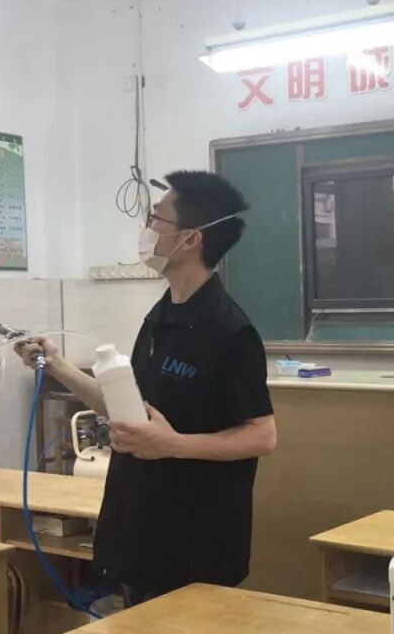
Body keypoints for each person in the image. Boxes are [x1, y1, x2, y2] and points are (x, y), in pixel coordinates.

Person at [16, 170, 276, 605]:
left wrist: (173, 444)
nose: (146, 229)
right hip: (137, 531)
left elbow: (263, 435)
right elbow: (127, 409)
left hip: (193, 548)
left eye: (156, 218)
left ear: (190, 239)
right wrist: (56, 365)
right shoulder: (161, 315)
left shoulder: (229, 331)